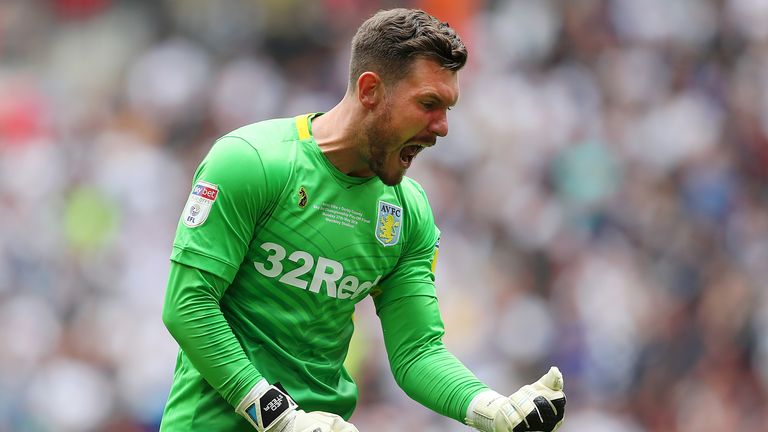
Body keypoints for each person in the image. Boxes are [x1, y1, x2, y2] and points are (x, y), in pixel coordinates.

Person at [160, 8, 566, 432]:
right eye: (428, 104)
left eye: (447, 108)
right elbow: (187, 305)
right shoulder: (253, 161)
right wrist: (278, 417)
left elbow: (417, 352)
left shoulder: (408, 211)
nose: (442, 128)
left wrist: (493, 410)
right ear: (370, 89)